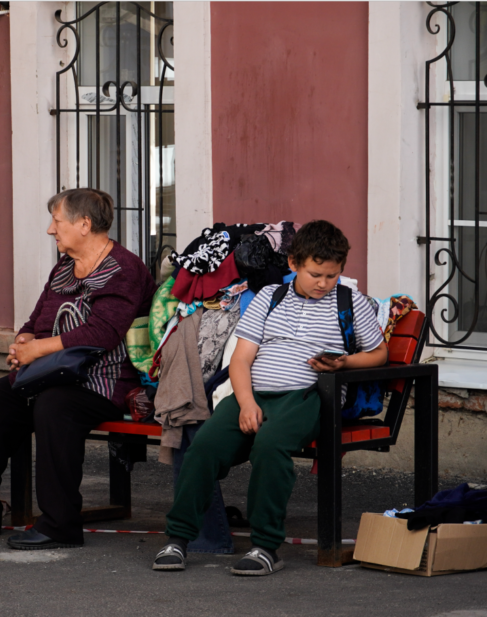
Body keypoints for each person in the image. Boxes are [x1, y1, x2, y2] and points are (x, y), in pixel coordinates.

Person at [152, 220, 387, 575]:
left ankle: (265, 547)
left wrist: (344, 362)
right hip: (255, 393)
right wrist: (246, 403)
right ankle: (178, 539)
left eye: (332, 275)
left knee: (269, 446)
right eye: (315, 274)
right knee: (203, 447)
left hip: (306, 397)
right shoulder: (270, 297)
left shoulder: (349, 302)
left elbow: (379, 354)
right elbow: (241, 360)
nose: (324, 283)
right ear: (293, 264)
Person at [0, 188, 156, 549]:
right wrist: (23, 339)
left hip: (104, 383)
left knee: (55, 406)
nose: (50, 230)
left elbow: (103, 333)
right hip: (53, 375)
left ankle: (60, 525)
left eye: (57, 221)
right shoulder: (64, 268)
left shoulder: (123, 269)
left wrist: (39, 349)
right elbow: (39, 314)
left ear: (84, 224)